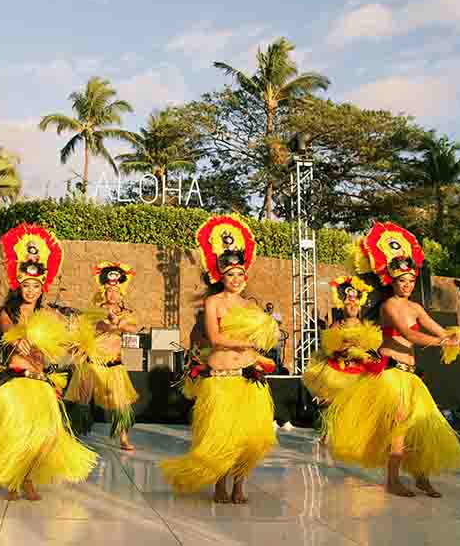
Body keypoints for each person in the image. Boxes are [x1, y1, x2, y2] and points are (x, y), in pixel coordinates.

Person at [323, 222, 460, 498]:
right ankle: (392, 480)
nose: (408, 284)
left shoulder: (415, 306)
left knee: (421, 426)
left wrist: (455, 335)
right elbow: (409, 334)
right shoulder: (390, 306)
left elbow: (435, 328)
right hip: (391, 375)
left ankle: (421, 477)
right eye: (402, 280)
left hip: (411, 376)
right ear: (392, 281)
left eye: (411, 280)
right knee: (399, 425)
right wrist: (443, 341)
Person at [161, 214, 277, 505]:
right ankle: (220, 485)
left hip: (248, 379)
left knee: (248, 439)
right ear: (220, 277)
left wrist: (260, 342)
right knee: (221, 437)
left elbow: (264, 338)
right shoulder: (213, 303)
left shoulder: (251, 306)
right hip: (221, 381)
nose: (236, 280)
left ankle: (240, 486)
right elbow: (215, 338)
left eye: (240, 275)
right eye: (230, 275)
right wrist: (245, 342)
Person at [0, 224, 96, 502]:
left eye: (36, 286)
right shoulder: (9, 312)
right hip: (17, 380)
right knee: (18, 433)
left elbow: (64, 340)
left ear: (43, 286)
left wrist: (80, 345)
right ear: (19, 285)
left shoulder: (50, 314)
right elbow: (11, 336)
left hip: (41, 382)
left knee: (43, 437)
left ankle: (27, 477)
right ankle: (14, 481)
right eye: (27, 285)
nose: (31, 290)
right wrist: (23, 340)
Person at [302, 276, 383, 408]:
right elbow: (330, 349)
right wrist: (347, 346)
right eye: (349, 304)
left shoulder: (366, 325)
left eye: (356, 304)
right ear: (342, 306)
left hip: (360, 373)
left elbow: (371, 348)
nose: (353, 307)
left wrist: (361, 350)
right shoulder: (337, 325)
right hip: (341, 371)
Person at [89, 262, 140, 451]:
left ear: (121, 294)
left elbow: (132, 328)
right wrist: (109, 322)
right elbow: (96, 327)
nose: (112, 295)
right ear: (104, 292)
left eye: (116, 291)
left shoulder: (125, 313)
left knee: (122, 403)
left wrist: (118, 322)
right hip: (94, 362)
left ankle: (124, 438)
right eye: (109, 291)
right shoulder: (95, 311)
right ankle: (72, 432)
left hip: (114, 362)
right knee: (81, 400)